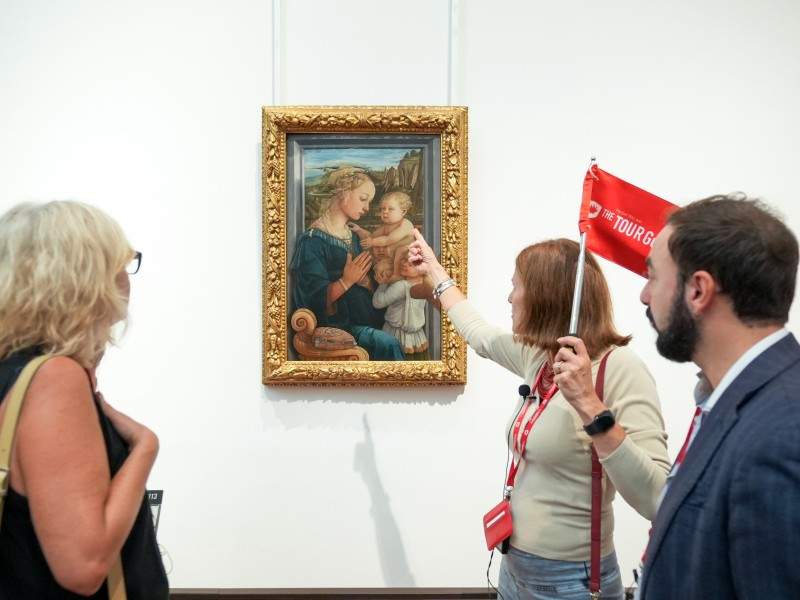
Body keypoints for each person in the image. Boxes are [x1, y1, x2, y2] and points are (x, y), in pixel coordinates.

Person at [408, 230, 670, 600]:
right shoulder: (542, 357)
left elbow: (658, 498)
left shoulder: (620, 369)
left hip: (572, 584)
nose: (510, 297)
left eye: (517, 286)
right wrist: (433, 270)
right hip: (514, 570)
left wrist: (590, 407)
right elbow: (479, 333)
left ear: (547, 297)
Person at [0, 201, 168, 598]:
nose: (128, 277)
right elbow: (84, 565)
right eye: (123, 262)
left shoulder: (17, 371)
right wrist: (145, 447)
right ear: (85, 275)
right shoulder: (54, 378)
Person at [637, 195, 800, 599]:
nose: (644, 295)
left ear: (698, 291)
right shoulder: (737, 398)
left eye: (653, 276)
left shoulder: (779, 436)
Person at [290, 168, 404, 360]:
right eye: (363, 198)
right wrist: (346, 281)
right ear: (343, 193)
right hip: (338, 328)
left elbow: (368, 282)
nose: (367, 207)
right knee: (389, 344)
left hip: (366, 318)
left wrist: (366, 283)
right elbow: (312, 300)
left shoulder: (353, 236)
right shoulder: (312, 241)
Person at [372, 246, 428, 359]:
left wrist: (383, 284)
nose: (404, 264)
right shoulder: (424, 284)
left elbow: (378, 303)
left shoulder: (401, 286)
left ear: (421, 269)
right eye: (404, 260)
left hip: (396, 334)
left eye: (411, 264)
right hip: (417, 336)